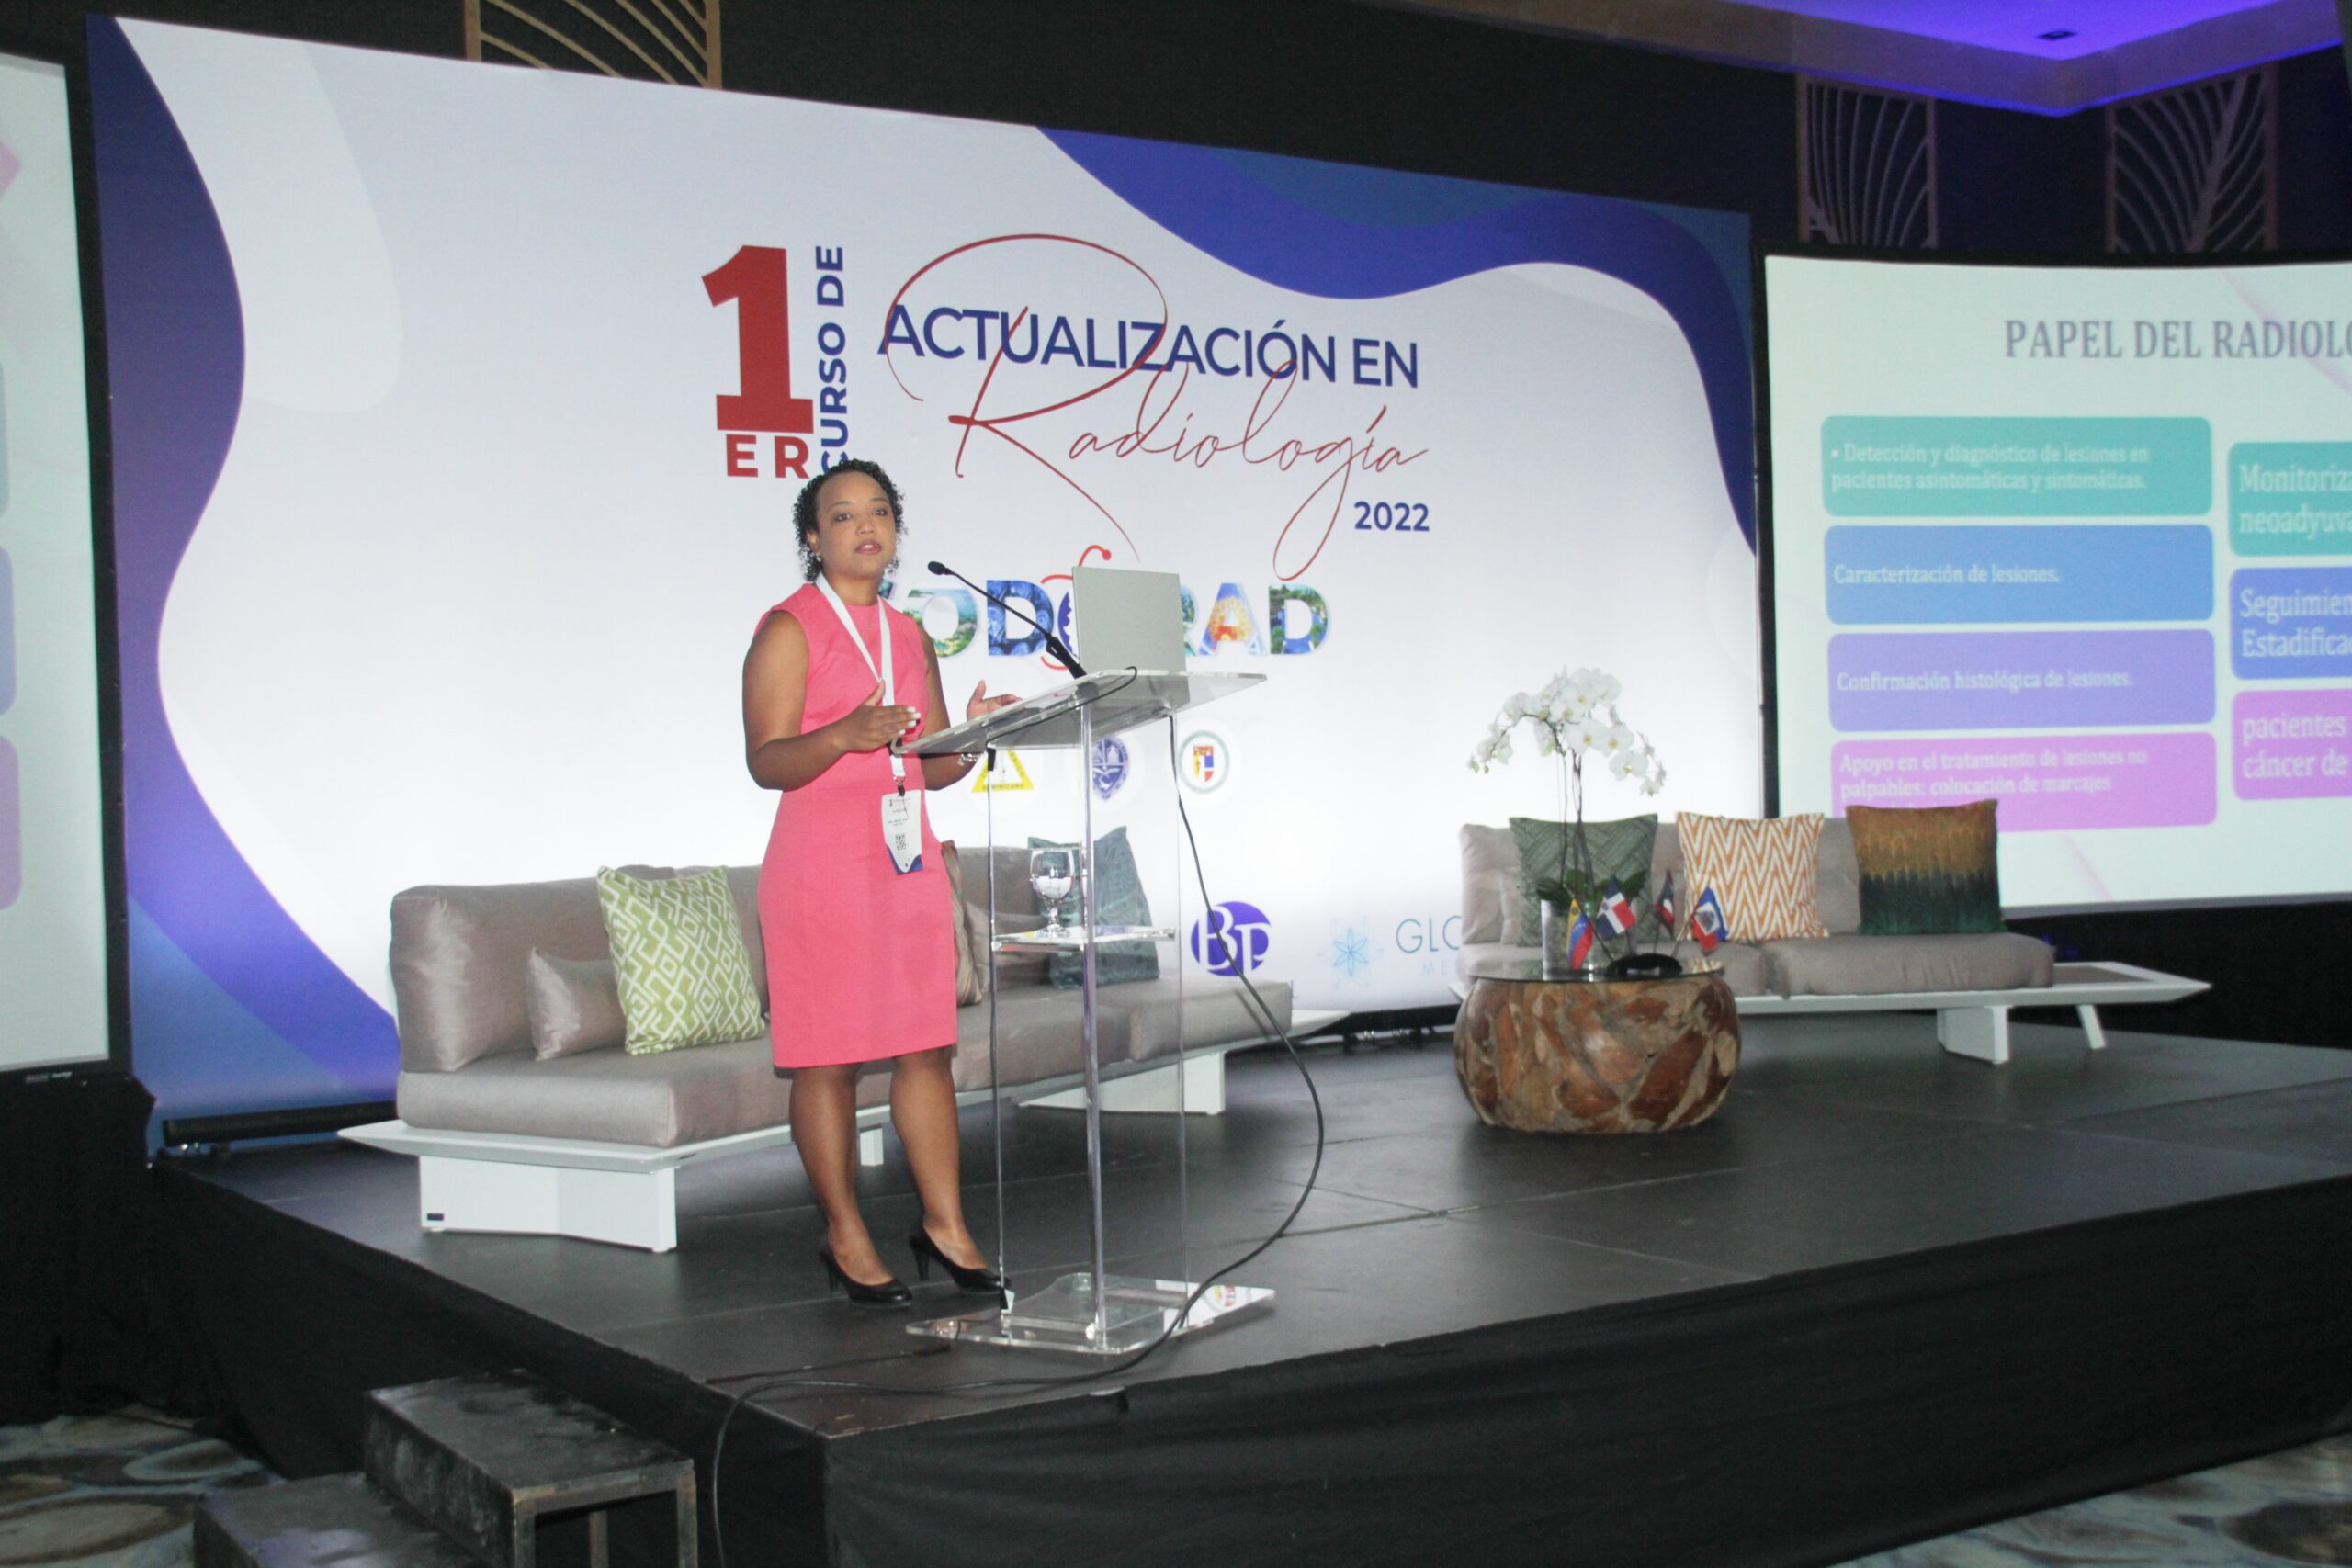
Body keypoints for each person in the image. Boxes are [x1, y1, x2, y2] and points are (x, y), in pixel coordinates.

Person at [741, 458, 1018, 1307]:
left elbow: (928, 767)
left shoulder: (910, 635)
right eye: (843, 514)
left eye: (880, 512)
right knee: (827, 1061)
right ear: (813, 537)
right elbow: (766, 761)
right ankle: (846, 1234)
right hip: (819, 870)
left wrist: (975, 736)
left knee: (925, 1048)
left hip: (905, 866)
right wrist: (843, 734)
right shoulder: (788, 628)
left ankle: (946, 1226)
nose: (866, 527)